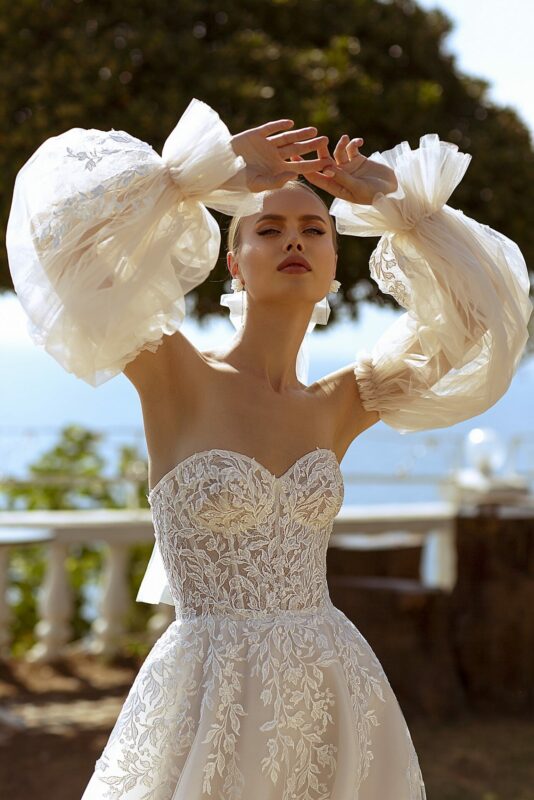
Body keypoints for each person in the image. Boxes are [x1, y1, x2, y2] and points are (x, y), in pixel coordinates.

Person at [6, 98, 532, 800]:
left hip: (332, 689)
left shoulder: (348, 400)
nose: (294, 239)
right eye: (269, 227)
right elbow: (61, 243)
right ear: (235, 262)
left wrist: (403, 207)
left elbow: (485, 318)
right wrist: (199, 174)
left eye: (314, 228)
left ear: (332, 264)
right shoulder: (174, 372)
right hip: (205, 698)